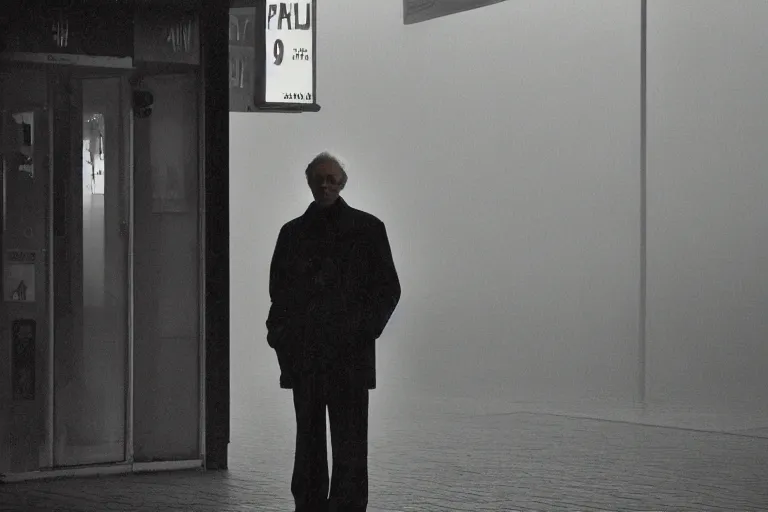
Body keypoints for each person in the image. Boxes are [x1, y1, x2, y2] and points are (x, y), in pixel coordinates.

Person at [266, 152, 401, 512]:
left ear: (342, 183)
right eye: (319, 179)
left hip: (346, 356)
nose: (325, 185)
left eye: (331, 179)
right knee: (312, 443)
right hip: (310, 356)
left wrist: (362, 331)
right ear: (309, 182)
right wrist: (283, 341)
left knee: (348, 445)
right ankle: (312, 506)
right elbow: (279, 296)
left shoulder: (367, 230)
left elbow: (388, 289)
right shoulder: (294, 233)